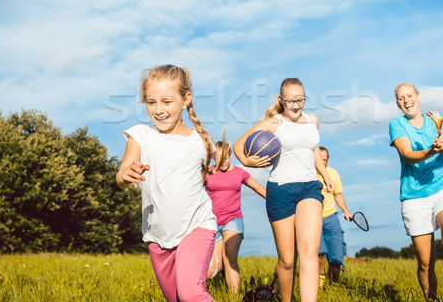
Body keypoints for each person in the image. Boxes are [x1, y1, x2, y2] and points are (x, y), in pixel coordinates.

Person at [115, 64, 217, 302]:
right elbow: (121, 175)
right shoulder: (140, 135)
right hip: (157, 236)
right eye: (152, 103)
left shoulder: (200, 141)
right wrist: (126, 174)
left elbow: (203, 184)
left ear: (185, 99)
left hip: (196, 227)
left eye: (166, 102)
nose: (158, 110)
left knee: (191, 294)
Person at [233, 77, 334, 302]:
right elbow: (238, 146)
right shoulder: (274, 122)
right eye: (291, 101)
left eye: (301, 100)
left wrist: (325, 176)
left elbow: (313, 147)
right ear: (281, 100)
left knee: (309, 253)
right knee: (287, 261)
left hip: (310, 187)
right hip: (280, 190)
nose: (296, 106)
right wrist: (248, 162)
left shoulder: (313, 120)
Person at [390, 83, 443, 302]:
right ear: (397, 103)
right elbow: (407, 154)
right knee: (425, 264)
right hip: (414, 195)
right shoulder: (396, 124)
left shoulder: (436, 119)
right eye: (400, 98)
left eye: (409, 95)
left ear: (419, 97)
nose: (406, 100)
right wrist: (431, 150)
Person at [204, 137, 267, 293]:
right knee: (214, 267)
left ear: (230, 155)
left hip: (233, 220)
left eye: (226, 157)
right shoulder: (207, 172)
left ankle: (233, 297)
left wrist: (274, 199)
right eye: (219, 158)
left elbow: (258, 187)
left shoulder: (239, 173)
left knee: (230, 259)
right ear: (213, 158)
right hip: (212, 222)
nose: (223, 161)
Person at [316, 146, 353, 287]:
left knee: (337, 256)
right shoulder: (308, 173)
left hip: (331, 217)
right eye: (319, 159)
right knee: (319, 253)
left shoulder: (333, 173)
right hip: (314, 218)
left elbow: (337, 193)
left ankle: (333, 286)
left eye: (324, 160)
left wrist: (346, 211)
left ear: (328, 159)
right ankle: (320, 282)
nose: (322, 162)